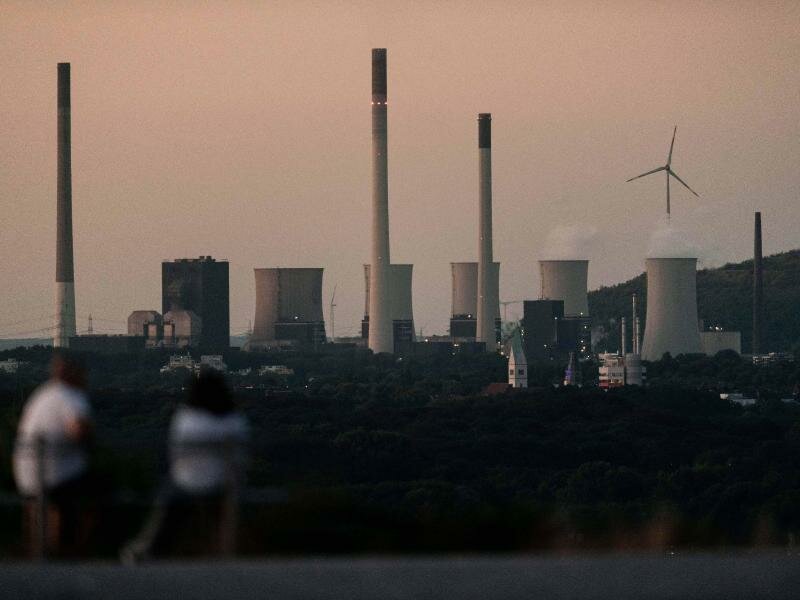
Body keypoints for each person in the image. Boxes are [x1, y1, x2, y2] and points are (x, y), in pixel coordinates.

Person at [122, 368, 248, 562]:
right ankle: (221, 552)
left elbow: (174, 454)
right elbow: (239, 459)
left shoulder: (186, 418)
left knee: (164, 502)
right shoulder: (234, 421)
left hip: (186, 483)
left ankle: (148, 547)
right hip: (223, 484)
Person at [13, 353, 93, 557]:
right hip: (55, 473)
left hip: (26, 473)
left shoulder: (44, 393)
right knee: (95, 492)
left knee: (38, 506)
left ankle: (36, 550)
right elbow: (79, 430)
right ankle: (68, 550)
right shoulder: (70, 396)